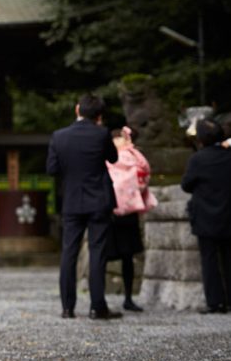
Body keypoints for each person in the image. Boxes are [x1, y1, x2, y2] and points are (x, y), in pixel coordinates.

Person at [48, 93, 120, 320]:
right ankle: (97, 307)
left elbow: (52, 169)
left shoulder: (59, 136)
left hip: (71, 199)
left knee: (69, 252)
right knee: (97, 252)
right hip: (99, 199)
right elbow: (113, 158)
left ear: (77, 109)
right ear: (99, 115)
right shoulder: (101, 134)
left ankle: (68, 307)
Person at [181, 118, 231, 314]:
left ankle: (216, 302)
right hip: (230, 211)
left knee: (209, 259)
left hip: (205, 214)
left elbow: (186, 185)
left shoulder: (197, 159)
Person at [105, 126, 157, 312]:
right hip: (121, 211)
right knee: (120, 256)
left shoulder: (126, 157)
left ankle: (124, 297)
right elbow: (144, 177)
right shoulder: (134, 158)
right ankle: (120, 298)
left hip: (112, 211)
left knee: (123, 256)